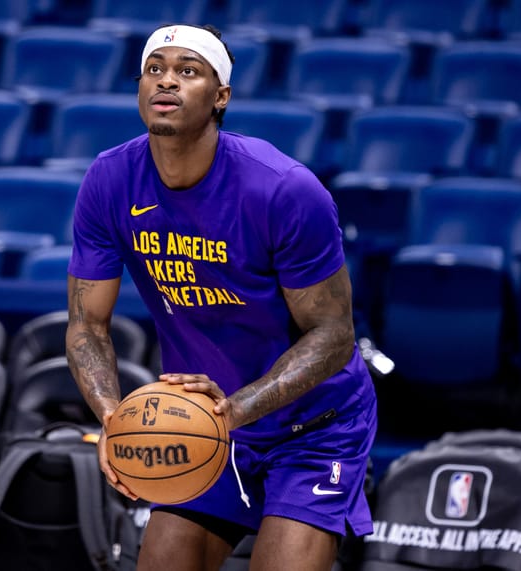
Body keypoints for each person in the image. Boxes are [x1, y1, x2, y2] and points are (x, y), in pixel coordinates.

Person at [65, 22, 378, 571]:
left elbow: (333, 335)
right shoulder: (110, 180)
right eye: (154, 70)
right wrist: (115, 419)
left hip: (313, 425)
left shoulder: (283, 188)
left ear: (221, 96)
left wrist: (233, 411)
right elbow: (87, 325)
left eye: (188, 71)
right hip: (207, 424)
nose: (167, 81)